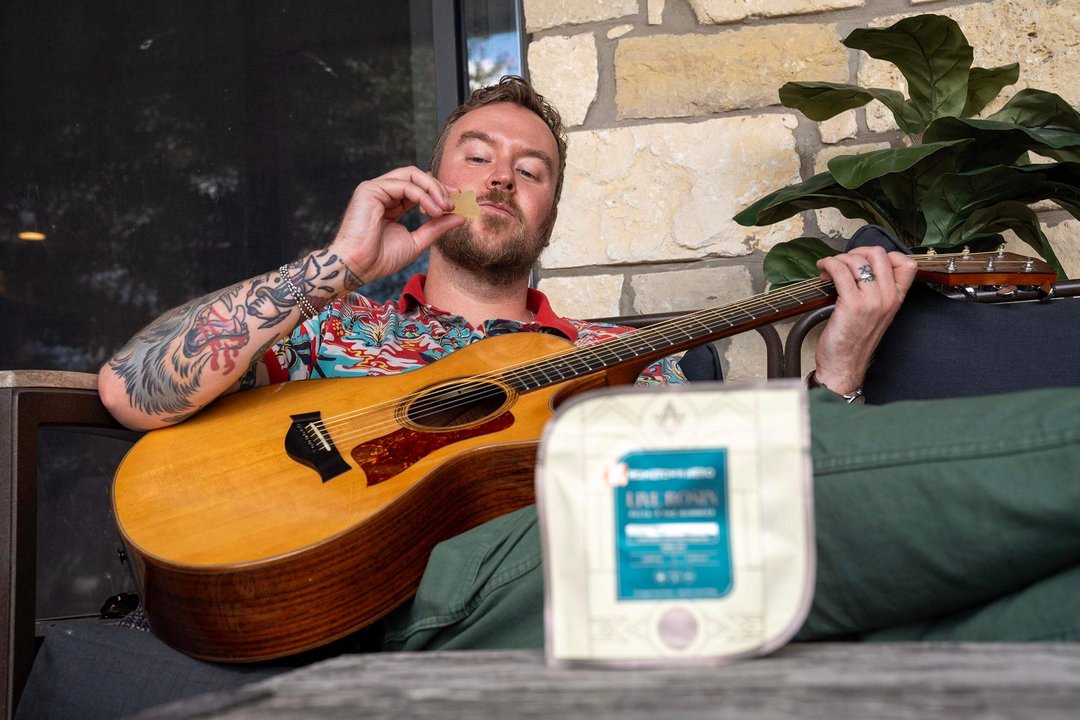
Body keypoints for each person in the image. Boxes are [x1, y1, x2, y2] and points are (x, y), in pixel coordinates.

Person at [17, 76, 1080, 719]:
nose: (500, 175)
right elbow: (128, 389)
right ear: (428, 179)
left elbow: (766, 516)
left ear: (551, 216)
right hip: (384, 582)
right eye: (475, 153)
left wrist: (839, 362)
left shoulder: (620, 356)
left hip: (584, 589)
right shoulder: (337, 325)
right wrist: (338, 263)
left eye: (531, 170)